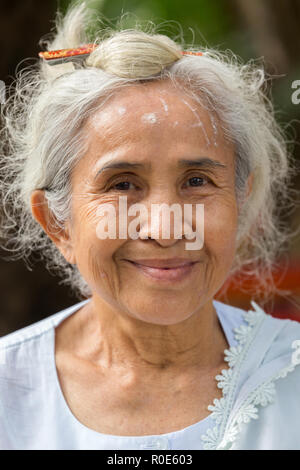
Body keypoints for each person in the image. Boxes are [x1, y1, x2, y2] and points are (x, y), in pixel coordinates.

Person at [0, 1, 299, 450]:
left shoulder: (290, 373)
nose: (164, 227)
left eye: (196, 181)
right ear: (58, 223)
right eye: (122, 184)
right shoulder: (10, 394)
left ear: (240, 202)